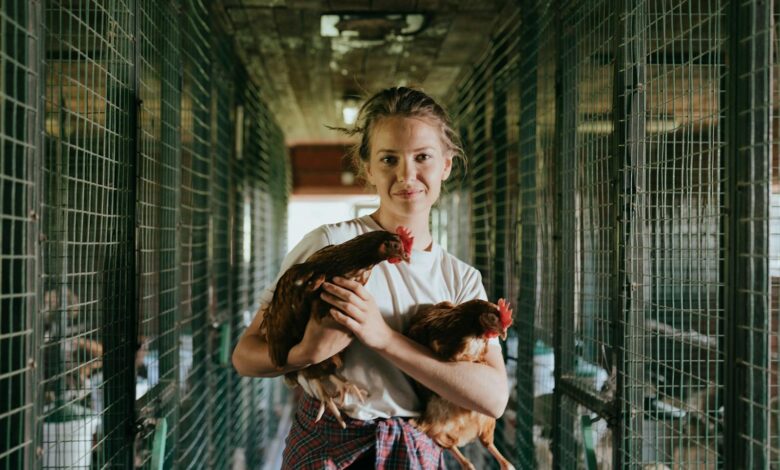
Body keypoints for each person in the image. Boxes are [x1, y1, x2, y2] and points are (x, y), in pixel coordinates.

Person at [232, 86, 509, 469]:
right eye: (389, 159)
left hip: (416, 445)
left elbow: (494, 398)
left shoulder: (460, 279)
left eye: (422, 157)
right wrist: (305, 354)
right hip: (329, 441)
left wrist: (384, 339)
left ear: (446, 165)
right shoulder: (330, 245)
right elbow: (245, 356)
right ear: (368, 168)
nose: (406, 174)